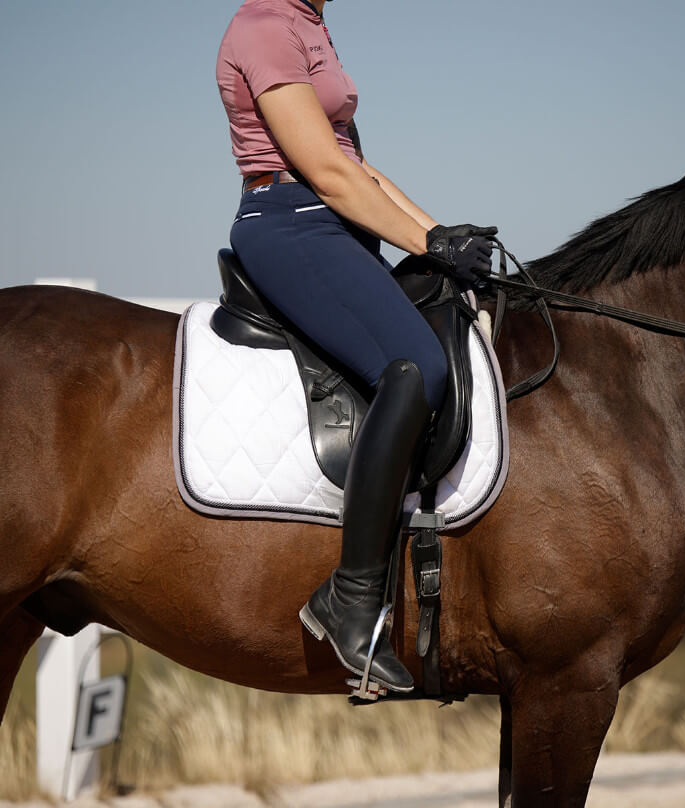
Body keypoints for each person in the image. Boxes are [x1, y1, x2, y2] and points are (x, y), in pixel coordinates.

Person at [216, 0, 497, 693]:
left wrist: (446, 239)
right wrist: (425, 243)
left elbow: (358, 169)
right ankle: (351, 600)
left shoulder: (311, 25)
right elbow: (328, 172)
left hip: (333, 221)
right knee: (415, 368)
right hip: (290, 221)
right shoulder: (264, 26)